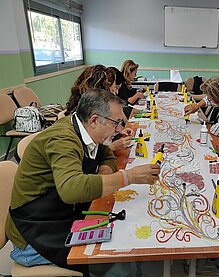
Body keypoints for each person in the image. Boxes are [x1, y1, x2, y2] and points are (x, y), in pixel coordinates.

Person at [6, 89, 160, 274]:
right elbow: (72, 190)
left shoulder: (85, 129)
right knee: (118, 254)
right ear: (95, 120)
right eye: (116, 123)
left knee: (121, 230)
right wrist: (130, 177)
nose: (119, 129)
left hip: (59, 214)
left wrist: (103, 174)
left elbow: (107, 155)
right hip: (34, 234)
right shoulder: (63, 139)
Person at [66, 65, 132, 152]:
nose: (116, 93)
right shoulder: (75, 127)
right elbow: (91, 155)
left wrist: (117, 130)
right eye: (112, 91)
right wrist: (112, 147)